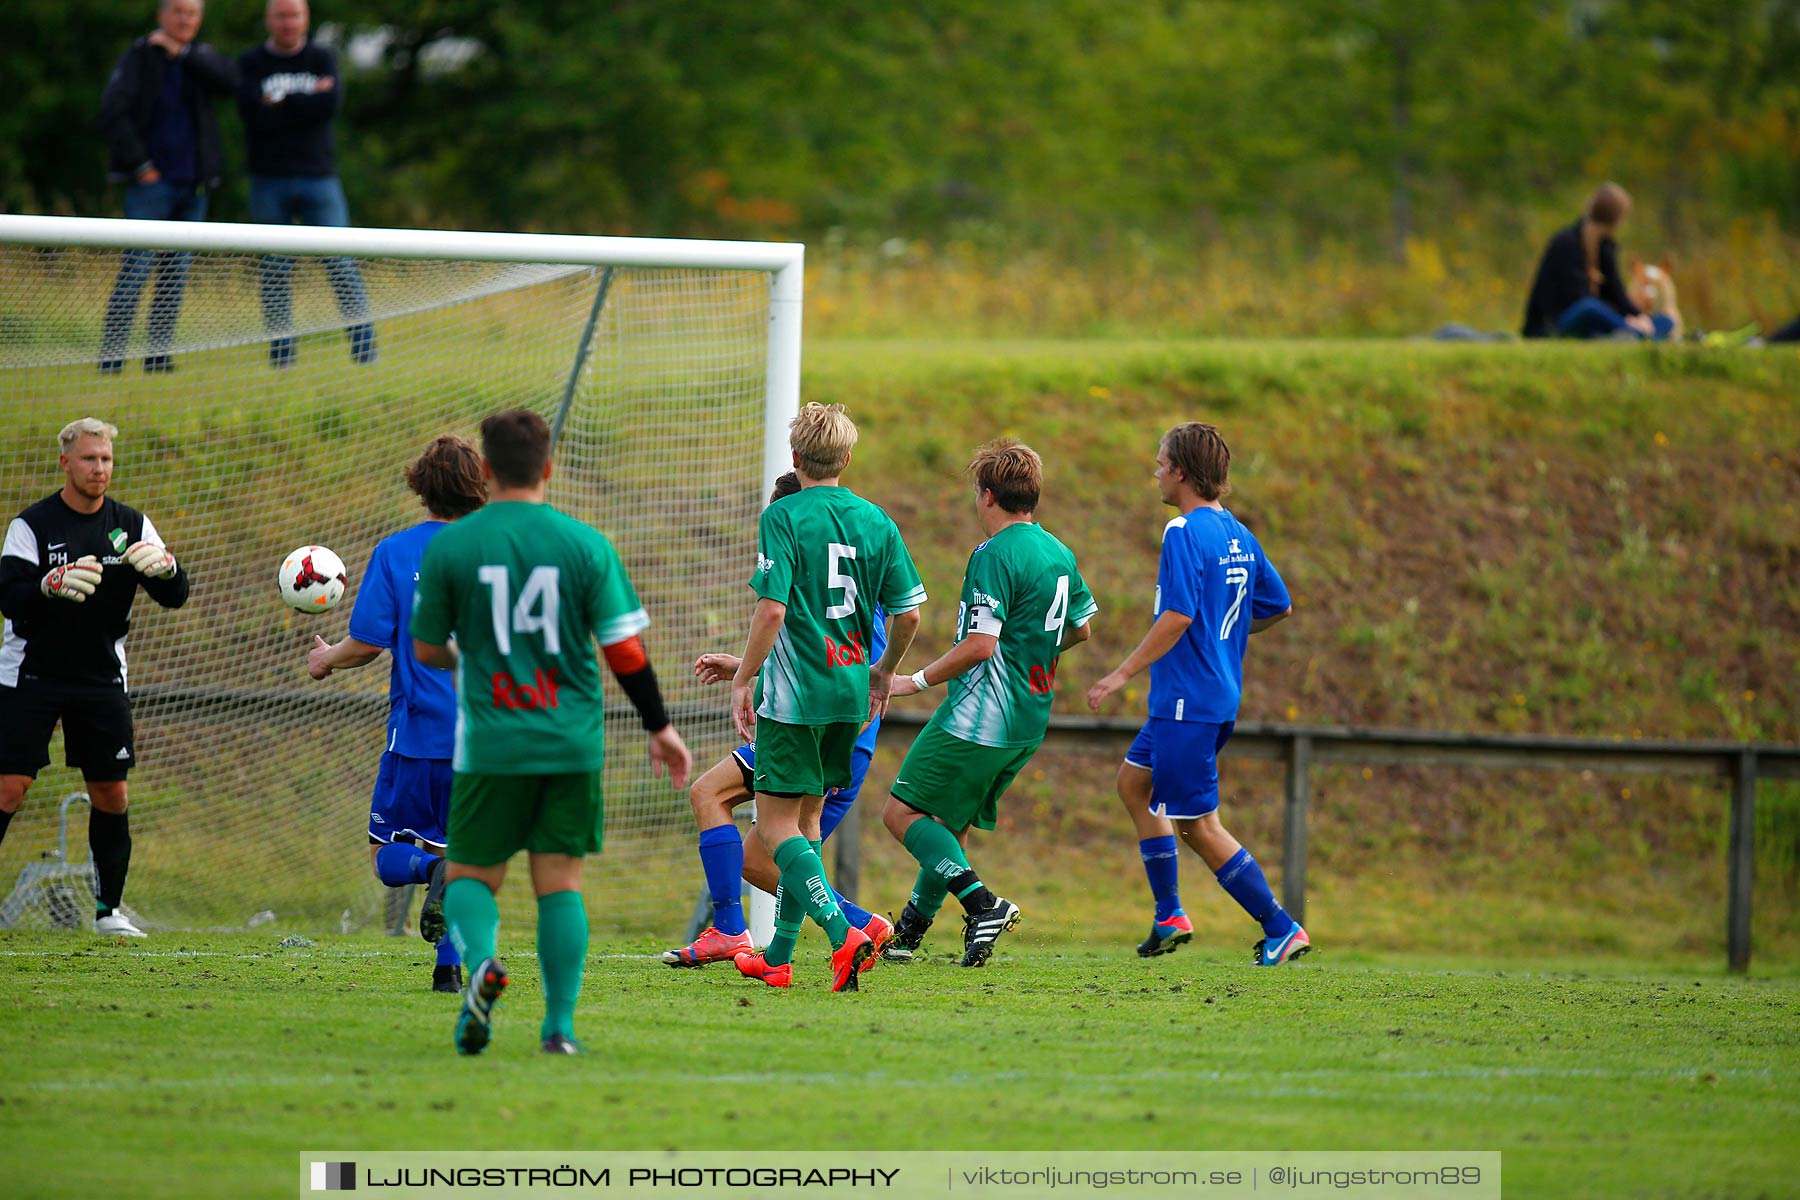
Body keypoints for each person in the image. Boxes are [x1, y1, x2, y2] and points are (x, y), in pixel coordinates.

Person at [410, 409, 692, 1055]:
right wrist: (661, 728)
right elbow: (625, 653)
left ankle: (481, 964)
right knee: (560, 883)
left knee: (472, 875)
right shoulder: (584, 545)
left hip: (490, 744)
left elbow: (427, 650)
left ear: (484, 469)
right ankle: (558, 1030)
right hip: (569, 743)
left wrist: (471, 651)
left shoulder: (452, 545)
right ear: (548, 466)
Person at [1086, 422, 1308, 967]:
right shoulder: (1237, 532)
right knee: (1134, 784)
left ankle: (1280, 927)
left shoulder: (1182, 531)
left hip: (1187, 700)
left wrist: (1120, 674)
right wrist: (1221, 634)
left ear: (1181, 471)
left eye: (1161, 463)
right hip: (1208, 697)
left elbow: (1178, 615)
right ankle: (1169, 915)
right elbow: (1276, 605)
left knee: (1198, 824)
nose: (1155, 472)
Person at [726, 402, 923, 992]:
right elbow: (908, 613)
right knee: (807, 821)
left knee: (775, 826)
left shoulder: (783, 516)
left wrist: (745, 678)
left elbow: (772, 609)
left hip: (794, 695)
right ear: (847, 457)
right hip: (848, 693)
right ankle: (780, 957)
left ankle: (845, 936)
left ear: (794, 457)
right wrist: (883, 673)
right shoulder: (875, 520)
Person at [662, 476, 895, 973]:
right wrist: (746, 667)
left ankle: (819, 929)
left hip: (814, 725)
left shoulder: (813, 587)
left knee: (713, 797)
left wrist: (746, 676)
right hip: (840, 727)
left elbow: (833, 662)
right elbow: (837, 659)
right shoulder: (845, 577)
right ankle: (794, 951)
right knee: (766, 855)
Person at [879, 439, 1097, 967]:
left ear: (988, 495)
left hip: (982, 714)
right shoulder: (1058, 551)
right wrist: (1032, 653)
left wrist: (914, 680)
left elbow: (981, 645)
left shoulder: (994, 554)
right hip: (1029, 716)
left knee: (900, 812)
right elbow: (1081, 629)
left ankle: (983, 905)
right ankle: (909, 933)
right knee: (950, 825)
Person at [306, 435, 485, 993]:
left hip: (417, 734)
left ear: (420, 487)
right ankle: (448, 969)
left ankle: (429, 874)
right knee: (465, 853)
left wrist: (325, 660)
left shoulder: (396, 552)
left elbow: (365, 643)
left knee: (391, 852)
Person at [0, 418, 190, 937]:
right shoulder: (32, 526)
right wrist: (48, 584)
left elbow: (176, 595)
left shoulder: (129, 524)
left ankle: (108, 913)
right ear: (66, 463)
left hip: (101, 678)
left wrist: (167, 570)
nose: (99, 469)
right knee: (8, 789)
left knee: (111, 794)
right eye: (89, 459)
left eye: (105, 459)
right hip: (30, 675)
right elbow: (9, 597)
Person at [97, 0, 238, 374]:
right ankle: (111, 359)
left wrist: (186, 55)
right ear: (161, 16)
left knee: (174, 276)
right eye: (177, 11)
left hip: (194, 188)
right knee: (136, 270)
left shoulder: (201, 58)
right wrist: (141, 166)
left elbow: (233, 84)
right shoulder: (139, 56)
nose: (185, 19)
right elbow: (112, 113)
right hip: (151, 184)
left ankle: (157, 358)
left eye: (192, 13)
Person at [237, 0, 376, 368]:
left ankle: (366, 353)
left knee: (342, 266)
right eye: (281, 15)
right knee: (274, 271)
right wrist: (305, 100)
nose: (288, 22)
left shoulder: (323, 57)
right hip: (268, 179)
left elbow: (328, 106)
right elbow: (253, 115)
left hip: (319, 177)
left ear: (305, 19)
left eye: (294, 15)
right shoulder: (251, 63)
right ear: (269, 19)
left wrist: (280, 102)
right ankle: (282, 359)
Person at [1521, 183, 1674, 342]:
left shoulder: (1606, 247)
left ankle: (1630, 334)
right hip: (1553, 325)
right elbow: (1576, 298)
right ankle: (1636, 335)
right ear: (1618, 219)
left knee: (1667, 320)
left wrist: (1639, 316)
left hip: (1596, 321)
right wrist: (1624, 320)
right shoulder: (1566, 244)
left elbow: (1616, 292)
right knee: (1589, 307)